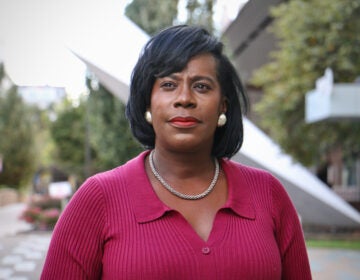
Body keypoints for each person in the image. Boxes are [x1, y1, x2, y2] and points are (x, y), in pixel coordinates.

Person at [41, 25, 311, 279]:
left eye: (201, 86)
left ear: (223, 107)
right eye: (169, 85)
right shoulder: (98, 199)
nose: (185, 98)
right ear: (148, 101)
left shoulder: (268, 194)